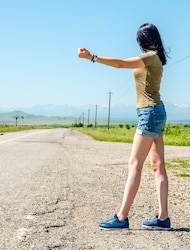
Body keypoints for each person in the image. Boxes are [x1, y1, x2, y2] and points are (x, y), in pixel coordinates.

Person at [77, 23, 171, 231]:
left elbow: (120, 64)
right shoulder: (156, 59)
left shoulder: (149, 57)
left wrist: (93, 58)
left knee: (135, 165)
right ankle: (163, 218)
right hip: (156, 112)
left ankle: (122, 217)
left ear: (144, 40)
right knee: (157, 166)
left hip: (149, 113)